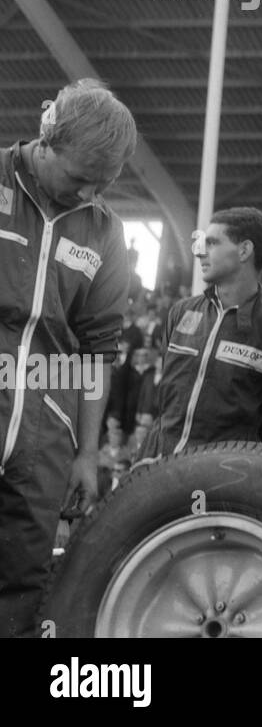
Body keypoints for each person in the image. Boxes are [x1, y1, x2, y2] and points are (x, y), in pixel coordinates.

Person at [0, 80, 135, 637]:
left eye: (101, 185)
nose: (87, 194)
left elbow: (98, 348)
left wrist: (86, 453)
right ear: (46, 138)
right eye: (80, 179)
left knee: (25, 580)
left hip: (45, 427)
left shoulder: (105, 230)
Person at [147, 208, 262, 457]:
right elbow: (163, 404)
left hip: (225, 478)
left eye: (212, 243)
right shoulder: (180, 312)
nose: (200, 252)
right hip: (161, 468)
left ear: (244, 251)